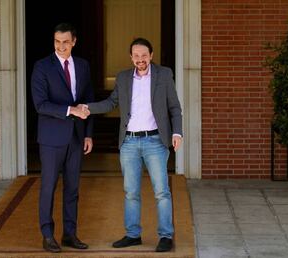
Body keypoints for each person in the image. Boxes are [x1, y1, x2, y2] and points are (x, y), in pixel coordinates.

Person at [80, 38, 182, 252]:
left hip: (155, 140)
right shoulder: (124, 77)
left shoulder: (164, 75)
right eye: (136, 56)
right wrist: (87, 107)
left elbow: (174, 106)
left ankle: (165, 236)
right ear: (131, 57)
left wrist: (177, 132)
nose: (140, 59)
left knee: (162, 191)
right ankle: (133, 234)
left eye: (144, 55)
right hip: (129, 142)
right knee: (131, 192)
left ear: (151, 56)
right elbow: (111, 102)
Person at [31, 22, 93, 253]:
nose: (61, 46)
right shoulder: (41, 67)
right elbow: (40, 104)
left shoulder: (83, 66)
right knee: (48, 187)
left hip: (77, 138)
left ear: (74, 42)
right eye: (57, 41)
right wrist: (70, 110)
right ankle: (47, 235)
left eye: (66, 42)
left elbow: (88, 99)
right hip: (50, 139)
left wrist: (88, 134)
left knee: (72, 189)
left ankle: (70, 234)